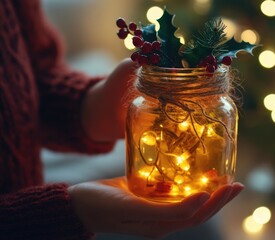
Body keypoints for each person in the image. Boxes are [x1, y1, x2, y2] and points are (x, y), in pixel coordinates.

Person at [0, 1, 244, 239]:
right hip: (27, 222)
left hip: (28, 184)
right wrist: (67, 212)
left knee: (204, 230)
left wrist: (92, 106)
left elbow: (32, 75)